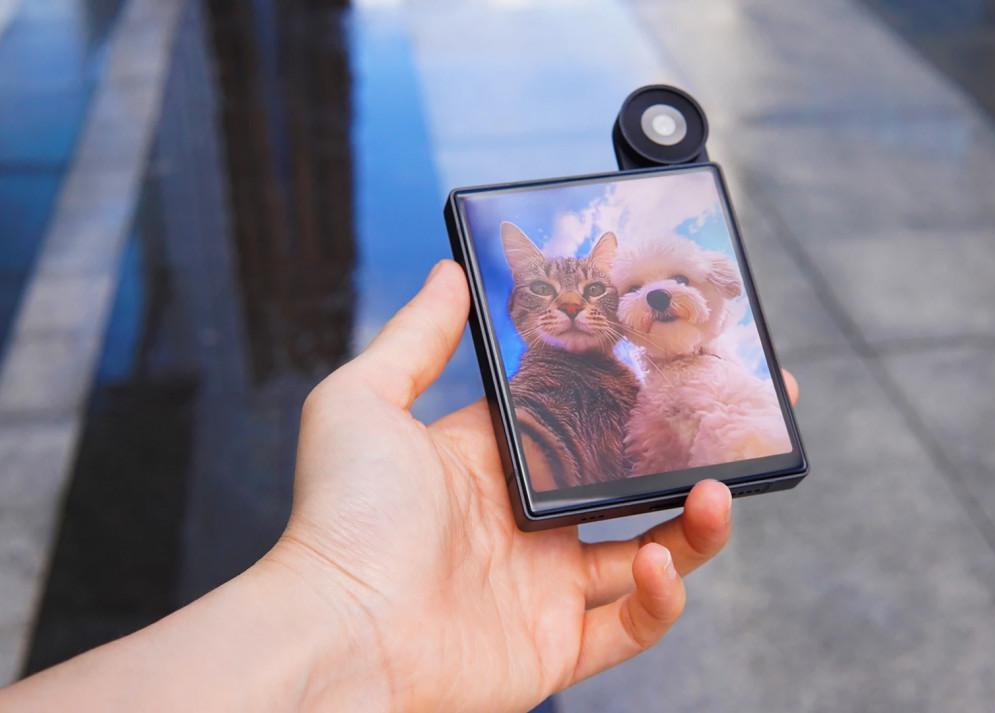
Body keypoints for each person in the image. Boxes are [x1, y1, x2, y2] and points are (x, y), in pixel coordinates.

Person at [0, 261, 797, 711]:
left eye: (593, 292)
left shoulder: (631, 371)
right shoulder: (554, 374)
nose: (576, 303)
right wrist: (340, 599)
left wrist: (335, 610)